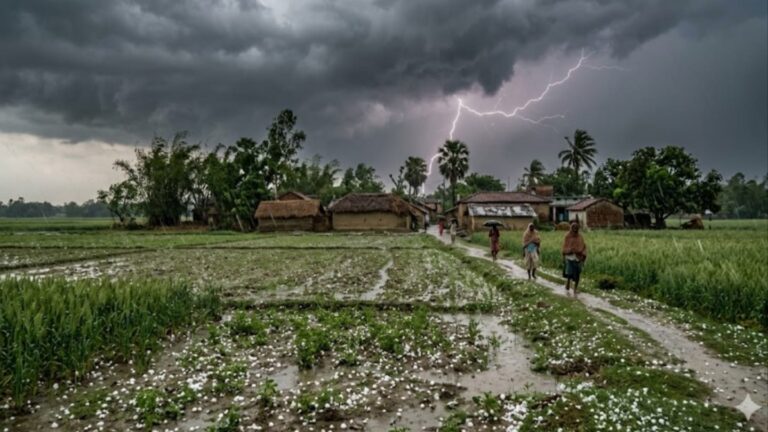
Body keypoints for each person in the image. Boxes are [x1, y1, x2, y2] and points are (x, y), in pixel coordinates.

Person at [561, 221, 587, 293]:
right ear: (571, 228)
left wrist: (582, 253)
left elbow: (583, 246)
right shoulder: (567, 236)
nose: (575, 229)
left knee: (577, 274)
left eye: (576, 228)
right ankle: (568, 282)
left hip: (578, 258)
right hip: (569, 257)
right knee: (569, 273)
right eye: (574, 228)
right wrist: (569, 250)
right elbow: (565, 246)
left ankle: (575, 288)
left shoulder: (580, 237)